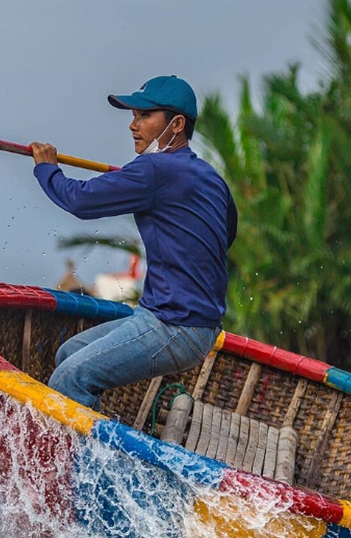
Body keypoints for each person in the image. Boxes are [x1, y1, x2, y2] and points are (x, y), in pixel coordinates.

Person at [30, 75, 237, 410]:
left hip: (178, 327)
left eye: (144, 116)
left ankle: (90, 461)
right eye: (133, 116)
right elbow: (226, 233)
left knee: (69, 379)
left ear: (177, 124)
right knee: (69, 353)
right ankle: (99, 430)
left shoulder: (155, 169)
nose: (132, 125)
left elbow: (80, 201)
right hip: (176, 320)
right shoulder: (208, 177)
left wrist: (47, 170)